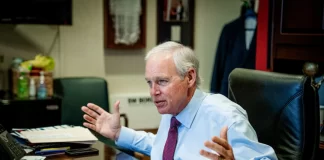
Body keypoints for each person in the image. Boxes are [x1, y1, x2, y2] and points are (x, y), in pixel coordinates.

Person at [81, 41, 278, 160]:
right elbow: (163, 146)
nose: (153, 91)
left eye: (162, 81)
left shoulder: (225, 117)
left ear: (190, 77)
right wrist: (118, 133)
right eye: (149, 83)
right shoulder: (175, 110)